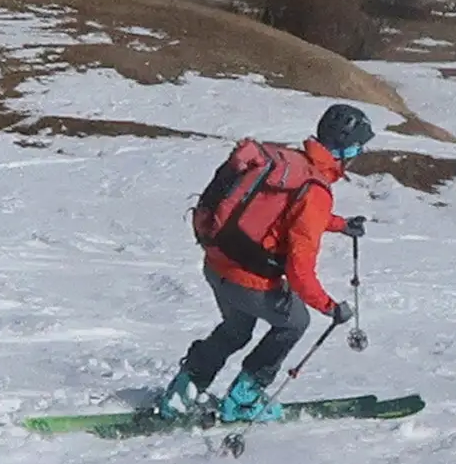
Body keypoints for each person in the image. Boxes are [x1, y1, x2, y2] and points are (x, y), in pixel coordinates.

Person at [154, 103, 373, 425]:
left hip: (218, 264)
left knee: (235, 330)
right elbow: (300, 271)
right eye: (360, 148)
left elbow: (278, 212)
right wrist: (329, 307)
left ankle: (181, 393)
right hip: (249, 279)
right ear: (348, 148)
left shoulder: (291, 165)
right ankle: (243, 400)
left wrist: (339, 225)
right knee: (294, 322)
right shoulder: (315, 190)